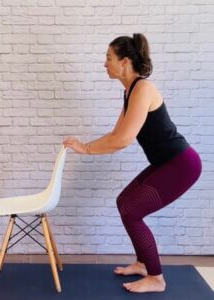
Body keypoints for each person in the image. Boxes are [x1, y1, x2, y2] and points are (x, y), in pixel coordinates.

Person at [63, 33, 202, 293]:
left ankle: (156, 278)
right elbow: (116, 134)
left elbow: (123, 140)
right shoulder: (130, 91)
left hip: (181, 165)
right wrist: (84, 146)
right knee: (124, 203)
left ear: (125, 62)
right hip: (165, 163)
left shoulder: (144, 89)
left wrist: (86, 149)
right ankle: (142, 262)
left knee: (132, 210)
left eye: (108, 58)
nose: (105, 63)